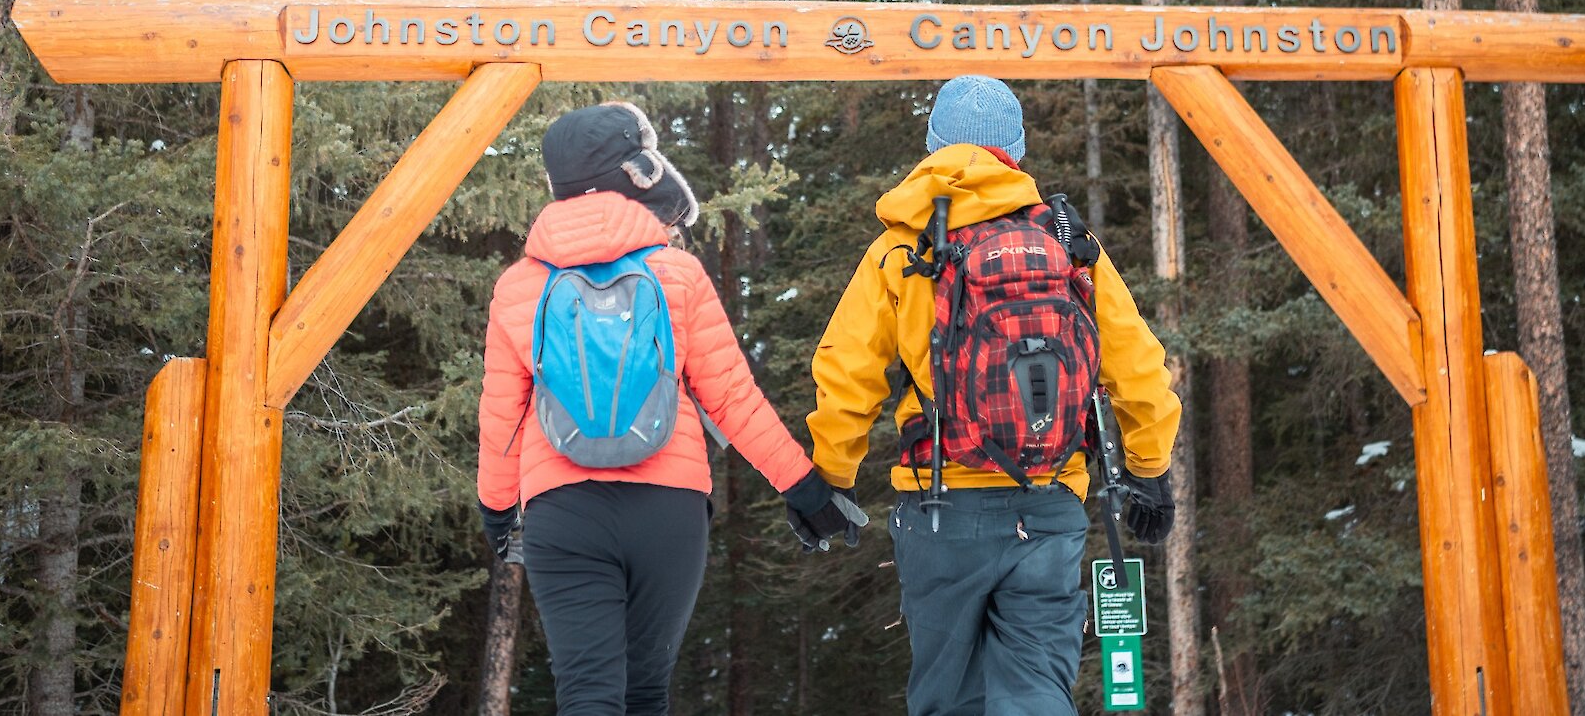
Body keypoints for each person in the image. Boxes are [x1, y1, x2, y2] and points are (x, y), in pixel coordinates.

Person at [804, 75, 1182, 716]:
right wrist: (1149, 472)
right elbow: (1138, 368)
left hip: (937, 506)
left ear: (930, 145)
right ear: (1019, 149)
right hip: (1050, 499)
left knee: (949, 696)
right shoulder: (1068, 243)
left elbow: (848, 372)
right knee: (1036, 690)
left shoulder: (901, 249)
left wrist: (831, 479)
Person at [478, 101, 864, 716]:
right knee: (646, 692)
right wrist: (804, 488)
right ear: (630, 176)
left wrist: (498, 511)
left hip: (562, 507)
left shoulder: (519, 286)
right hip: (670, 506)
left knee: (587, 696)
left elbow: (503, 416)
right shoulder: (676, 273)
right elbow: (733, 397)